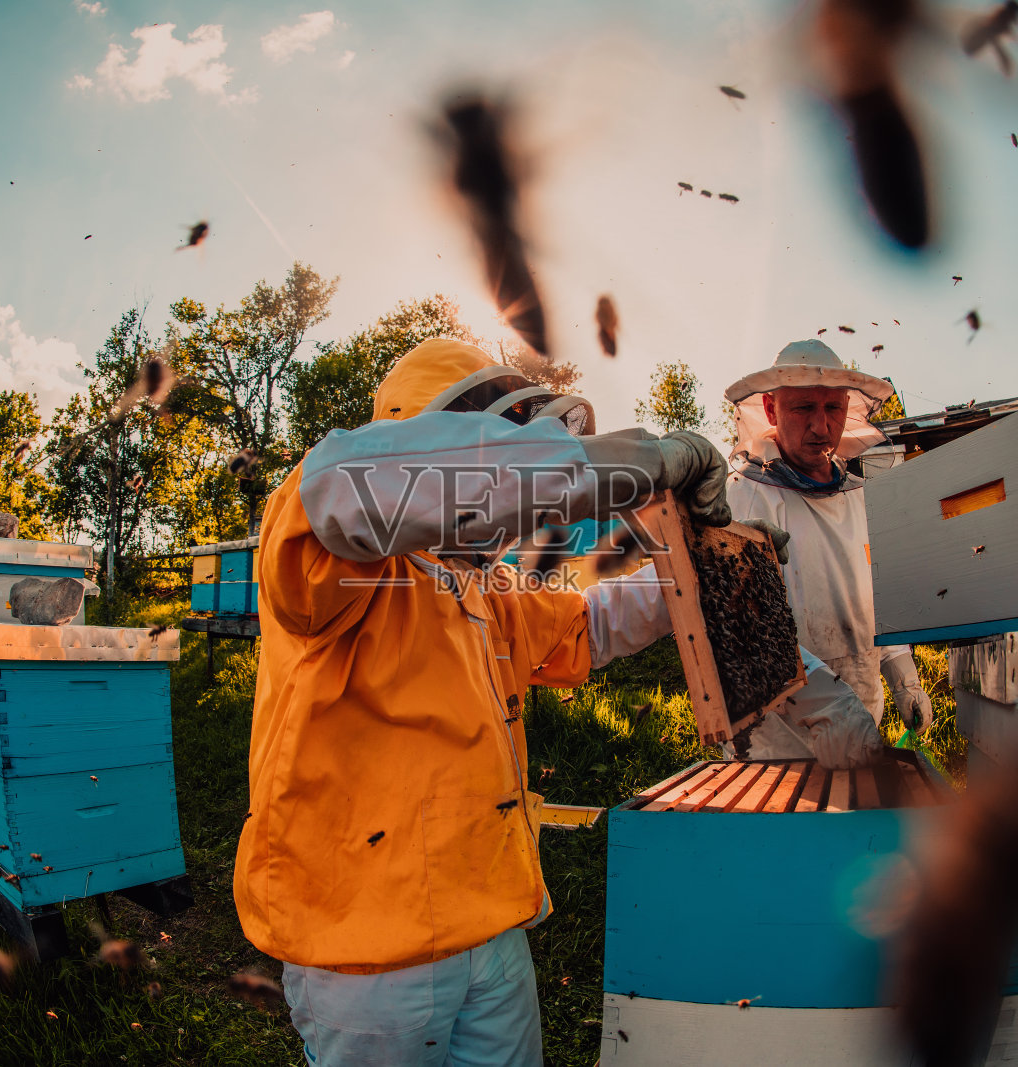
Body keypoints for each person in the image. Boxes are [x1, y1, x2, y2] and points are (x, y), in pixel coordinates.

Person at [233, 338, 731, 1066]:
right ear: (420, 434)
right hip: (362, 945)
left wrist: (703, 573)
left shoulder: (483, 588)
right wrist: (645, 459)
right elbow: (378, 481)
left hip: (492, 918)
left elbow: (586, 625)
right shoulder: (327, 553)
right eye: (492, 436)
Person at [724, 338, 933, 761]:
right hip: (776, 745)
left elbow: (877, 595)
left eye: (833, 408)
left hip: (862, 719)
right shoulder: (745, 497)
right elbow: (746, 632)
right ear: (770, 409)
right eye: (804, 408)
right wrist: (829, 707)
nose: (821, 427)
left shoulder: (860, 498)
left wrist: (903, 678)